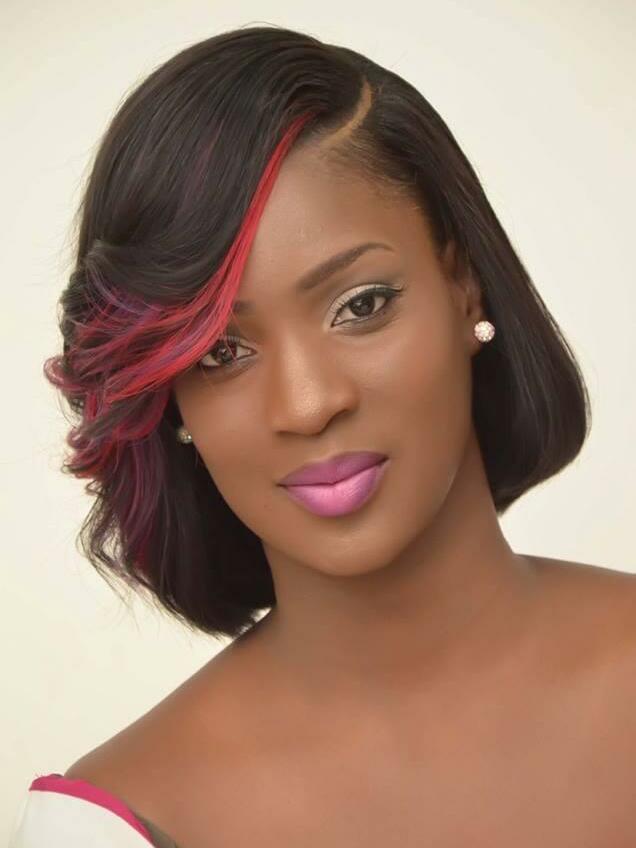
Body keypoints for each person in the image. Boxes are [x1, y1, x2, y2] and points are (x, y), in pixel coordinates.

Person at [10, 22, 636, 848]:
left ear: (465, 286)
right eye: (221, 352)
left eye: (361, 305)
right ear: (169, 398)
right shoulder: (105, 829)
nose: (307, 405)